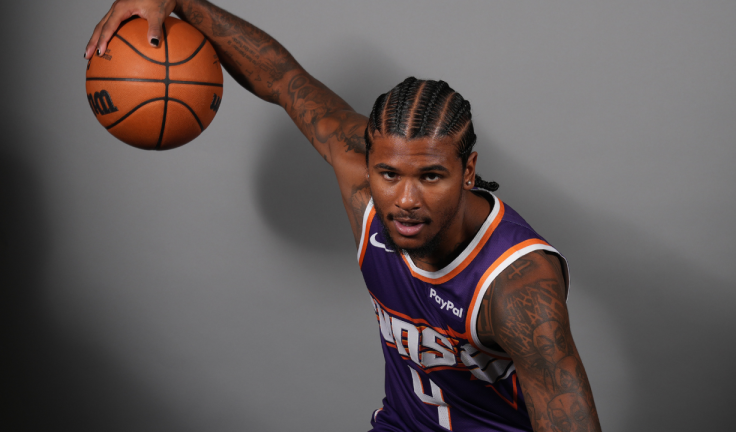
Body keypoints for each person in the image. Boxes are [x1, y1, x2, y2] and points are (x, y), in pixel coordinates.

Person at [85, 1, 602, 431]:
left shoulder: (516, 288)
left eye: (430, 177)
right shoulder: (363, 185)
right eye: (389, 174)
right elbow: (283, 80)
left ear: (468, 171)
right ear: (369, 163)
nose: (404, 200)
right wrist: (178, 1)